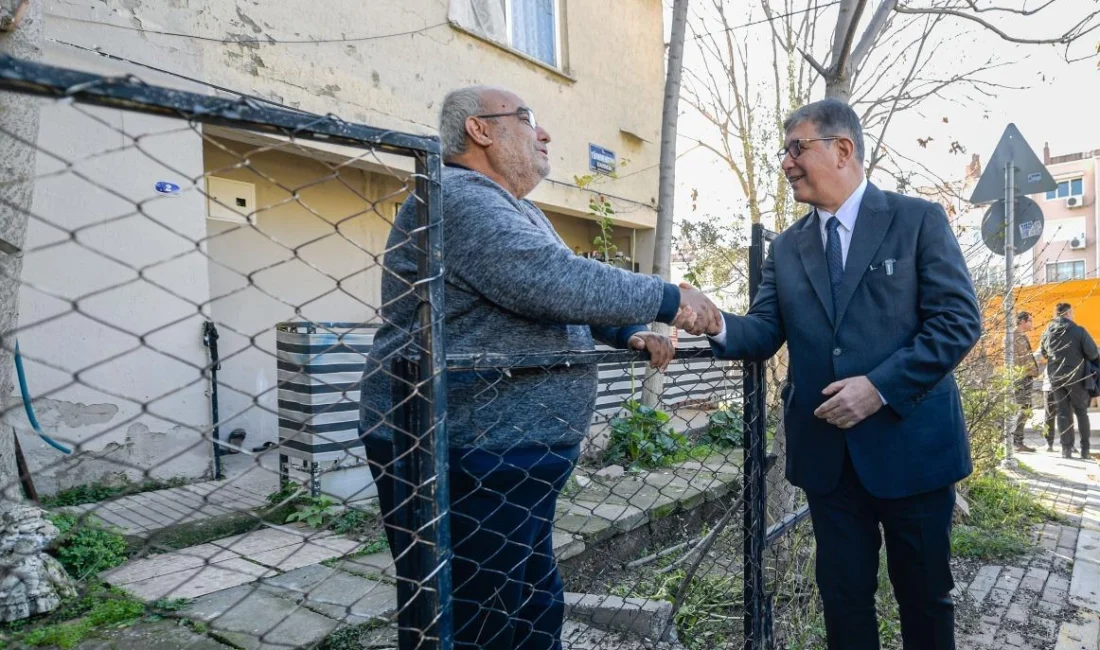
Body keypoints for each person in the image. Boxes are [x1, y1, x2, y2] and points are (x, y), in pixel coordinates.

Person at [357, 85, 719, 650]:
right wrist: (671, 298)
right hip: (460, 445)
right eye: (528, 119)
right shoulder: (457, 196)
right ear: (480, 130)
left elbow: (557, 296)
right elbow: (548, 280)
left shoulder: (513, 207)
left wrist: (628, 331)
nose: (544, 133)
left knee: (527, 603)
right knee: (474, 616)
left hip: (505, 446)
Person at [676, 98, 981, 650]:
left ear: (843, 150)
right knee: (842, 599)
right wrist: (713, 322)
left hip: (913, 450)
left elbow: (958, 322)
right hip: (829, 460)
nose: (787, 163)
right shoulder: (789, 249)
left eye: (797, 148)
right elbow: (764, 329)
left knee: (925, 598)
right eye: (784, 151)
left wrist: (879, 387)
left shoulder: (917, 220)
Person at [1040, 302, 1098, 459]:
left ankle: (1066, 449)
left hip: (1055, 379)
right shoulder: (1079, 331)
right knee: (1081, 412)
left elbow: (1044, 353)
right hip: (1076, 378)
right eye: (1072, 313)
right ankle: (1085, 450)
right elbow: (1093, 353)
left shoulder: (1047, 332)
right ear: (1067, 313)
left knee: (1063, 413)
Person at [1012, 312, 1040, 452]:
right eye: (1030, 321)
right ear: (1022, 321)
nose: (1032, 324)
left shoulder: (1021, 336)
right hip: (1020, 378)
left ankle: (1017, 441)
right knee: (1024, 409)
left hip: (1026, 377)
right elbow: (1017, 360)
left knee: (1026, 409)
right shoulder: (1013, 337)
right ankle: (1016, 442)